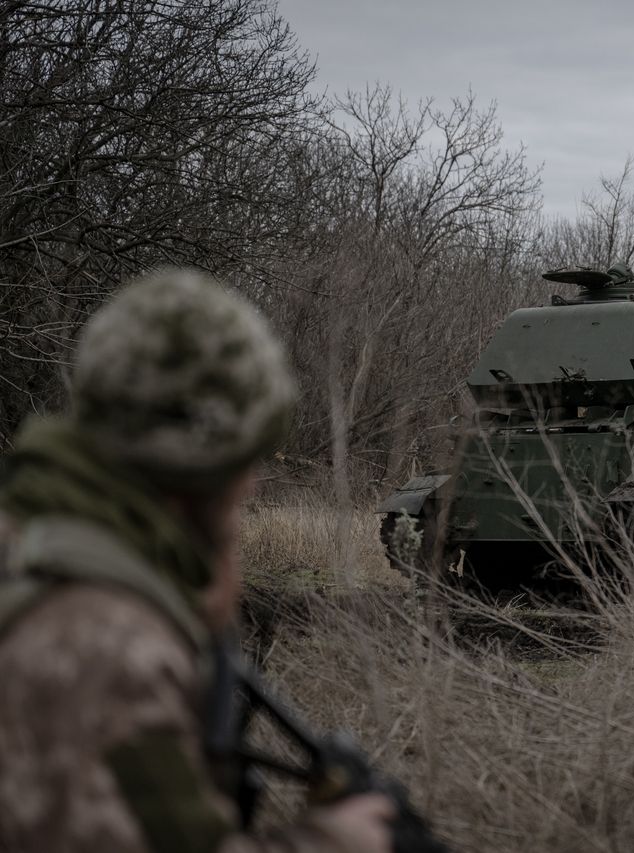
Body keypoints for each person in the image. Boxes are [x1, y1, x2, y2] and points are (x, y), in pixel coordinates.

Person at [0, 269, 394, 852]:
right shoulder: (107, 645)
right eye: (247, 458)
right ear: (203, 467)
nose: (254, 484)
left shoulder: (32, 537)